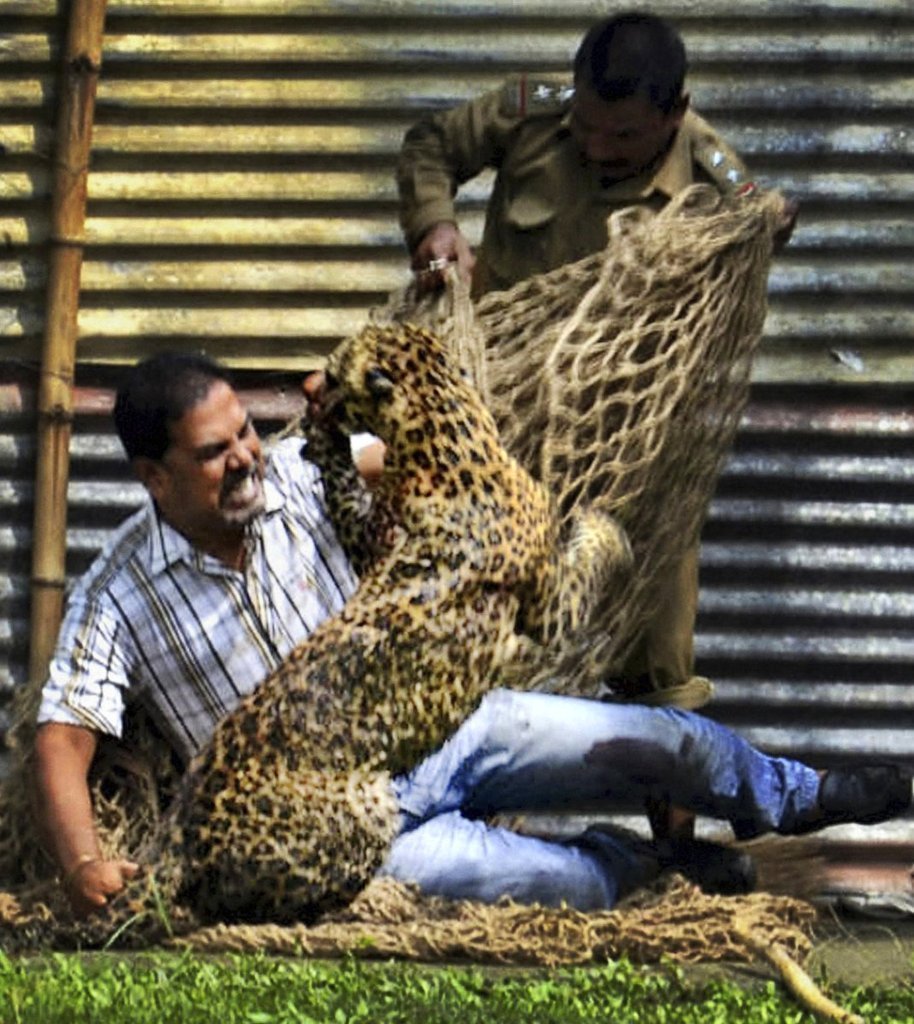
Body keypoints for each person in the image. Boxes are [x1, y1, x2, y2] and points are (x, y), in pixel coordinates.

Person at [32, 352, 910, 919]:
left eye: (248, 433)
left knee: (660, 740)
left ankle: (801, 793)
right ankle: (659, 869)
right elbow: (64, 737)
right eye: (216, 452)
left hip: (449, 725)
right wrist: (82, 865)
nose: (248, 458)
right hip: (353, 827)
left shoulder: (299, 477)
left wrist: (361, 413)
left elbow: (425, 459)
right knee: (553, 886)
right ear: (153, 476)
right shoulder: (118, 591)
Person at [397, 11, 797, 836]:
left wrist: (764, 229)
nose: (595, 144)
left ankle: (677, 853)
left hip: (636, 450)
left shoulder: (714, 170)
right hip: (509, 426)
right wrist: (436, 225)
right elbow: (431, 142)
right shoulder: (531, 112)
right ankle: (467, 832)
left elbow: (760, 218)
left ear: (674, 112)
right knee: (487, 626)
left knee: (660, 655)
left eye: (619, 133)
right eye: (584, 121)